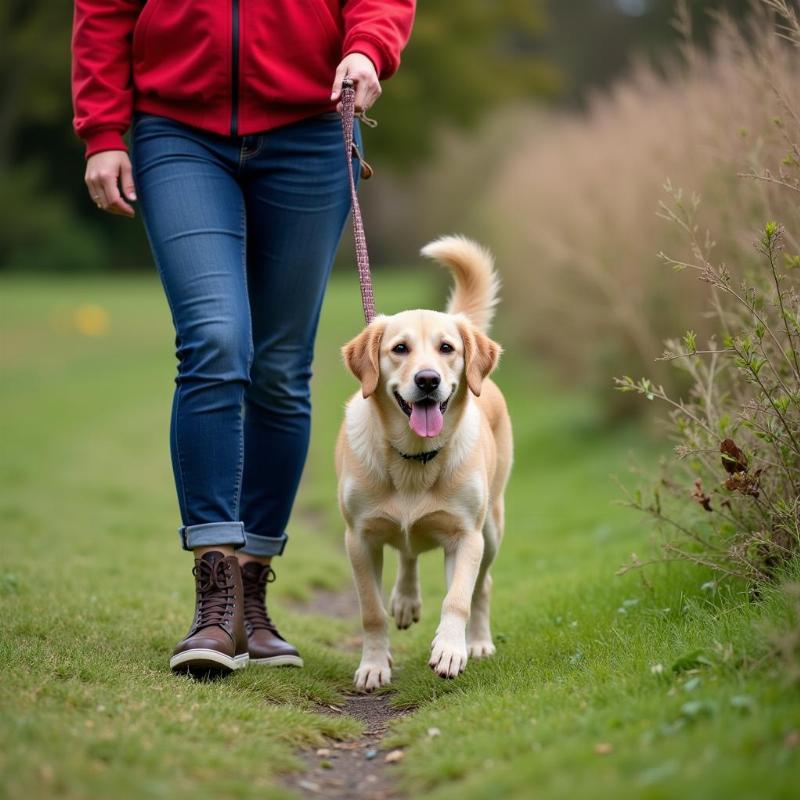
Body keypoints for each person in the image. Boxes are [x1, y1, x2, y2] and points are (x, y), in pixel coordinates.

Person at [71, 0, 416, 675]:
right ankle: (215, 588)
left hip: (312, 127)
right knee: (215, 338)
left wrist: (367, 48)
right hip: (177, 130)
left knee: (281, 367)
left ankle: (253, 590)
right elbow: (102, 8)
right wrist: (104, 130)